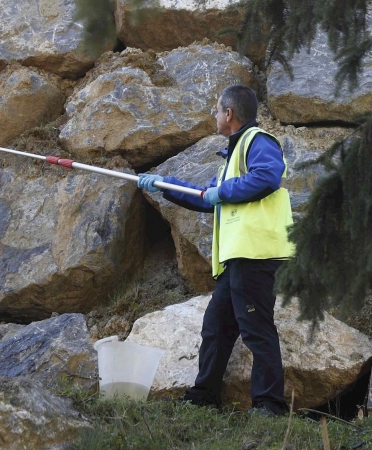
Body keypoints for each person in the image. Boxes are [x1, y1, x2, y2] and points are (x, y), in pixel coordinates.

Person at [137, 85, 294, 416]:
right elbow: (206, 195)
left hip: (256, 255)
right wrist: (165, 185)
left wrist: (220, 192)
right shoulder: (233, 157)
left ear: (229, 114)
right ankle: (204, 396)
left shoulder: (258, 141)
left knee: (256, 328)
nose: (213, 115)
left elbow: (267, 177)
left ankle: (270, 405)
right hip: (237, 259)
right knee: (216, 326)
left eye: (216, 109)